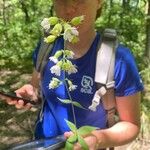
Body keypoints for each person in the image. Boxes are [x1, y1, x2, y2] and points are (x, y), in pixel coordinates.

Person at [6, 0, 144, 149]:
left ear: (98, 2)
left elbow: (131, 125)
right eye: (61, 1)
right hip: (44, 143)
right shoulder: (47, 47)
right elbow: (36, 86)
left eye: (80, 1)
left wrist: (98, 139)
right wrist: (31, 93)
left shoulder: (118, 59)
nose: (69, 9)